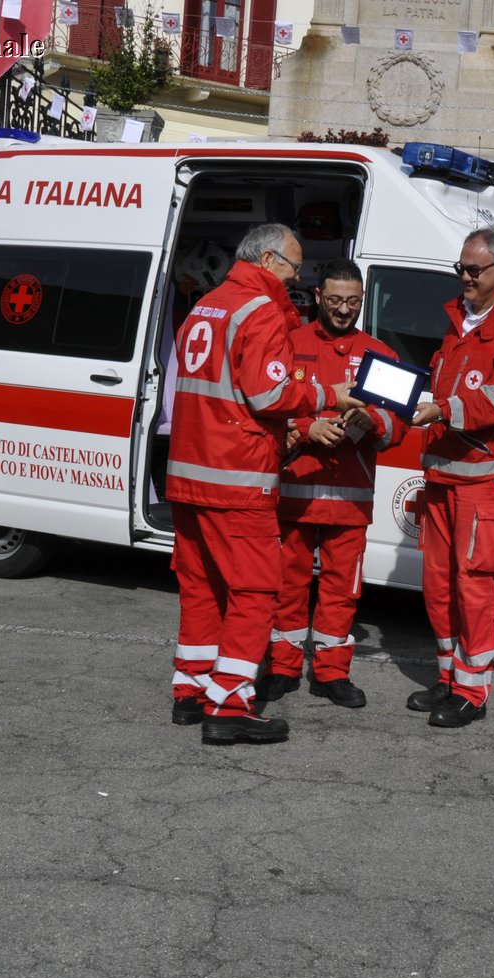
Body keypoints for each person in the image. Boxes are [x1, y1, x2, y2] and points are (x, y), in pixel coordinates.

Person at [165, 223, 362, 744]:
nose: (297, 278)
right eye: (295, 267)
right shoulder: (260, 310)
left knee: (201, 588)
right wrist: (329, 395)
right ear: (271, 259)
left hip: (189, 475)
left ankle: (191, 689)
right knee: (254, 592)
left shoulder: (205, 307)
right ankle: (229, 706)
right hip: (237, 477)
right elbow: (269, 395)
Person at [406, 226, 494, 728]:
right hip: (443, 476)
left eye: (473, 269)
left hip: (485, 483)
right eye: (460, 268)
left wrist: (440, 410)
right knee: (438, 585)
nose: (463, 277)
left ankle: (473, 690)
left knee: (474, 588)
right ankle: (447, 678)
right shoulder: (457, 319)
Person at [259, 259, 407, 710]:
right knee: (287, 585)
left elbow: (398, 426)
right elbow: (268, 406)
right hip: (294, 491)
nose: (344, 310)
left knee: (343, 590)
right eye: (337, 300)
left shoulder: (381, 355)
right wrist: (306, 430)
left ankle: (331, 673)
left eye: (353, 302)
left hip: (349, 496)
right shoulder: (289, 343)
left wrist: (370, 419)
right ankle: (282, 668)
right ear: (318, 297)